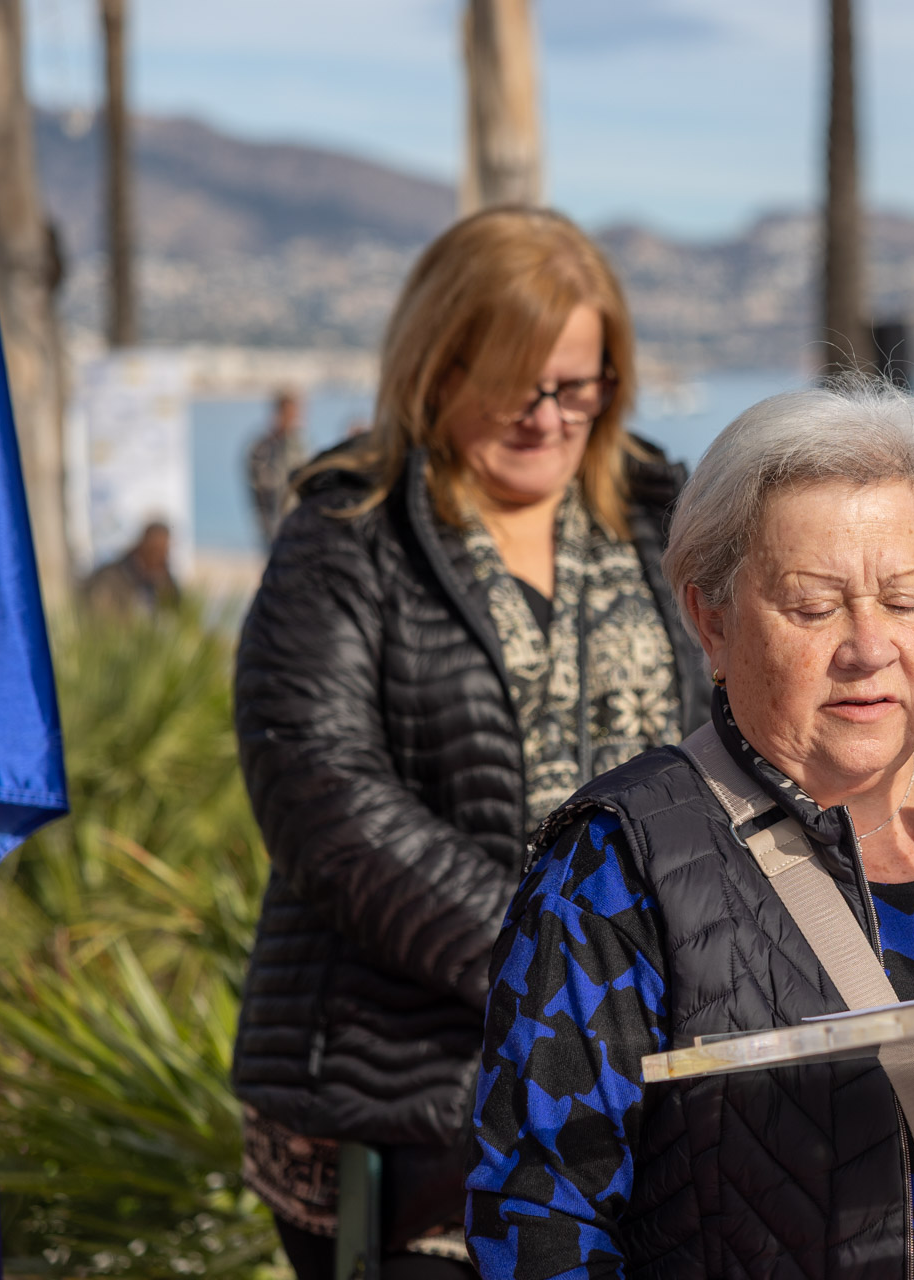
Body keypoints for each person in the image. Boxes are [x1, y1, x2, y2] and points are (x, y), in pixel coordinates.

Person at [466, 380, 914, 1280]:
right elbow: (540, 1223)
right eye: (814, 606)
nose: (870, 647)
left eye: (906, 600)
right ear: (712, 621)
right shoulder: (617, 864)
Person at [231, 207, 708, 1280]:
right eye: (513, 386)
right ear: (436, 366)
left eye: (576, 387)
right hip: (412, 1096)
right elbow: (324, 803)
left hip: (649, 1077)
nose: (547, 418)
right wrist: (557, 962)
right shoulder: (347, 532)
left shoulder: (665, 517)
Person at [248, 387, 307, 545]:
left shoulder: (301, 447)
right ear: (278, 412)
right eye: (290, 413)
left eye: (295, 413)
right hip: (275, 527)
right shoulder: (262, 449)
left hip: (300, 525)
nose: (293, 418)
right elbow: (260, 491)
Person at [82, 519, 179, 616]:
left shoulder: (164, 584)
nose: (159, 559)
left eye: (164, 552)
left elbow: (177, 611)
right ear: (142, 545)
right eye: (154, 551)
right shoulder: (110, 577)